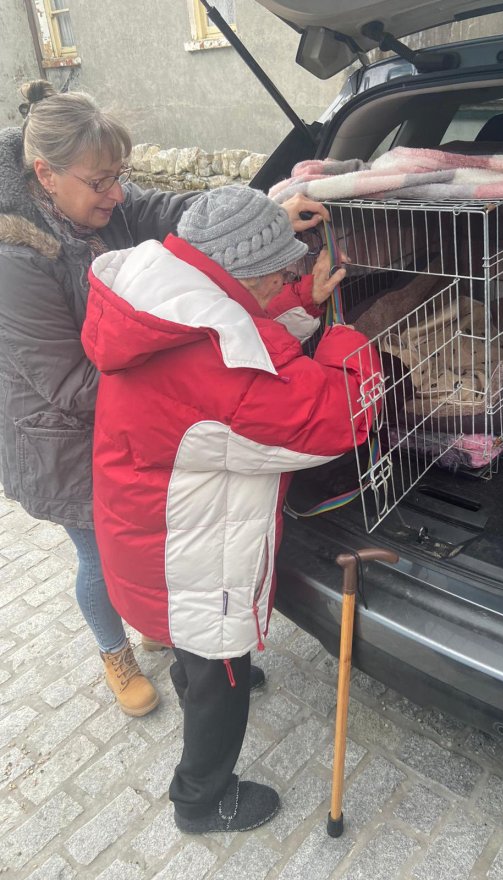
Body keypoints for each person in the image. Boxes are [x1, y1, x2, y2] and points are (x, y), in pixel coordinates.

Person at [0, 79, 333, 717]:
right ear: (46, 174)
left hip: (129, 411)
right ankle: (113, 649)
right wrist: (190, 377)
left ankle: (163, 625)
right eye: (101, 182)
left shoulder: (108, 204)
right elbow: (70, 385)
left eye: (119, 176)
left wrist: (260, 223)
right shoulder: (15, 260)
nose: (119, 193)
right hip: (63, 436)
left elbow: (177, 209)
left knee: (149, 546)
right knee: (100, 550)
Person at [81, 184, 380, 833]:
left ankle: (196, 679)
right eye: (281, 279)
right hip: (190, 558)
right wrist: (350, 342)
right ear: (252, 275)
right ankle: (202, 798)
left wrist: (302, 298)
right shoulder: (219, 361)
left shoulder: (166, 293)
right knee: (223, 675)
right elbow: (335, 417)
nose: (284, 288)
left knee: (201, 657)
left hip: (146, 530)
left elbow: (248, 328)